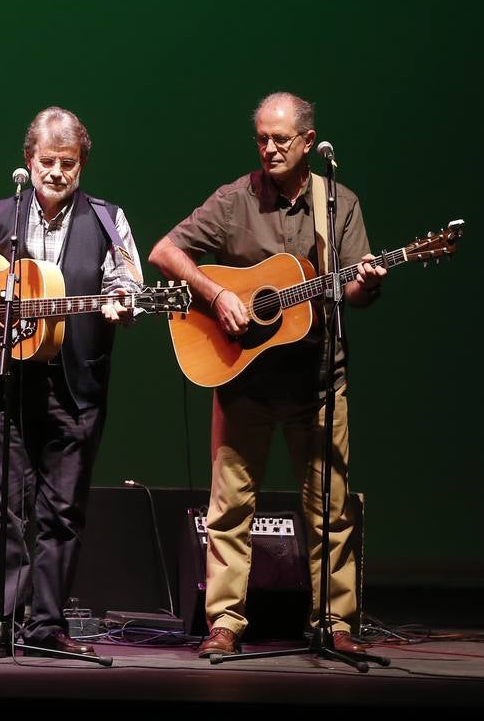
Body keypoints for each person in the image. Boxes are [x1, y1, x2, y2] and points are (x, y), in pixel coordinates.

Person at [148, 92, 385, 658]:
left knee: (331, 508)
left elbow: (353, 288)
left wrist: (367, 283)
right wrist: (217, 292)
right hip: (244, 380)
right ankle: (225, 623)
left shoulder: (338, 203)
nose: (270, 148)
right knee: (228, 510)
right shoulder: (235, 200)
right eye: (262, 138)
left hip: (318, 381)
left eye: (281, 139)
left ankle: (335, 622)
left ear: (309, 141)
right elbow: (164, 251)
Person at [0, 106, 142, 657]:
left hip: (77, 385)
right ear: (28, 161)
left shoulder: (109, 220)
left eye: (69, 163)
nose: (57, 173)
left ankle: (46, 624)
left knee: (62, 510)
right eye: (47, 161)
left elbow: (127, 278)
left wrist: (124, 303)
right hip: (9, 380)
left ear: (82, 164)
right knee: (4, 503)